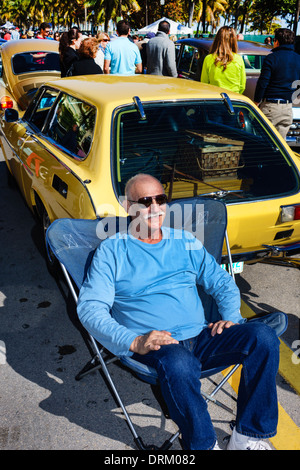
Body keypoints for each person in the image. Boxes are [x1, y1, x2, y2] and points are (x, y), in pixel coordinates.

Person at [77, 173, 280, 451]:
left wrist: (231, 318)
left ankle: (248, 437)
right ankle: (203, 445)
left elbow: (221, 282)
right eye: (145, 201)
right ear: (127, 206)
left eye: (160, 199)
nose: (155, 208)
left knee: (263, 337)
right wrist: (134, 341)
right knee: (179, 363)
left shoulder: (184, 241)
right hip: (153, 345)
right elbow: (90, 309)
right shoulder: (112, 251)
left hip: (201, 335)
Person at [254, 28, 300, 140]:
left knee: (264, 142)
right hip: (288, 107)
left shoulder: (271, 58)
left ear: (277, 42)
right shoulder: (298, 59)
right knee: (280, 145)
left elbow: (263, 82)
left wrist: (256, 101)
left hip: (270, 106)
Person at [201, 26, 246, 94]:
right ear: (234, 40)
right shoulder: (238, 59)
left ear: (217, 39)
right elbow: (242, 86)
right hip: (234, 99)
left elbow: (204, 84)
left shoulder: (208, 58)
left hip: (214, 99)